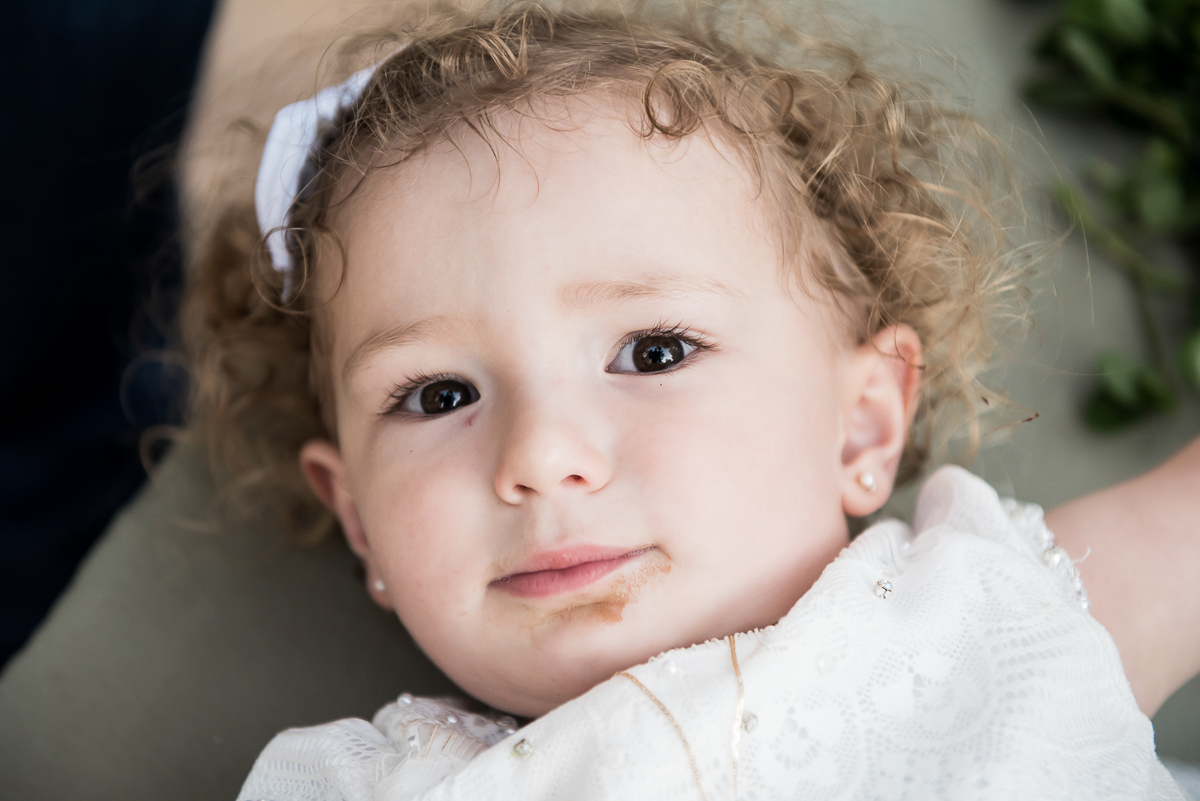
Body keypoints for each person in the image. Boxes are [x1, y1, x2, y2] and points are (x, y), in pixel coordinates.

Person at [179, 2, 1199, 797]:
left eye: (655, 350)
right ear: (357, 516)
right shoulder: (375, 785)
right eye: (438, 393)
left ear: (864, 422)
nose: (540, 453)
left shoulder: (996, 617)